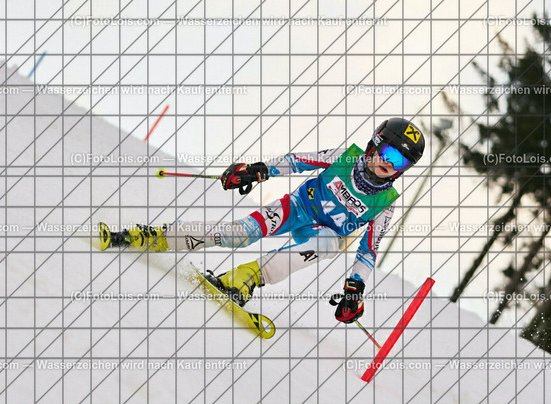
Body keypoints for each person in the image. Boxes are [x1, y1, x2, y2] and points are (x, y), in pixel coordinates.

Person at [100, 118, 425, 324]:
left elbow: (368, 251)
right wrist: (258, 171)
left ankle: (244, 279)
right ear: (373, 145)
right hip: (297, 207)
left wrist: (355, 289)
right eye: (389, 153)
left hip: (324, 234)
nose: (390, 164)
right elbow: (297, 162)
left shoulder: (384, 204)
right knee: (237, 235)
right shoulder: (345, 157)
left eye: (401, 163)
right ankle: (156, 236)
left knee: (325, 246)